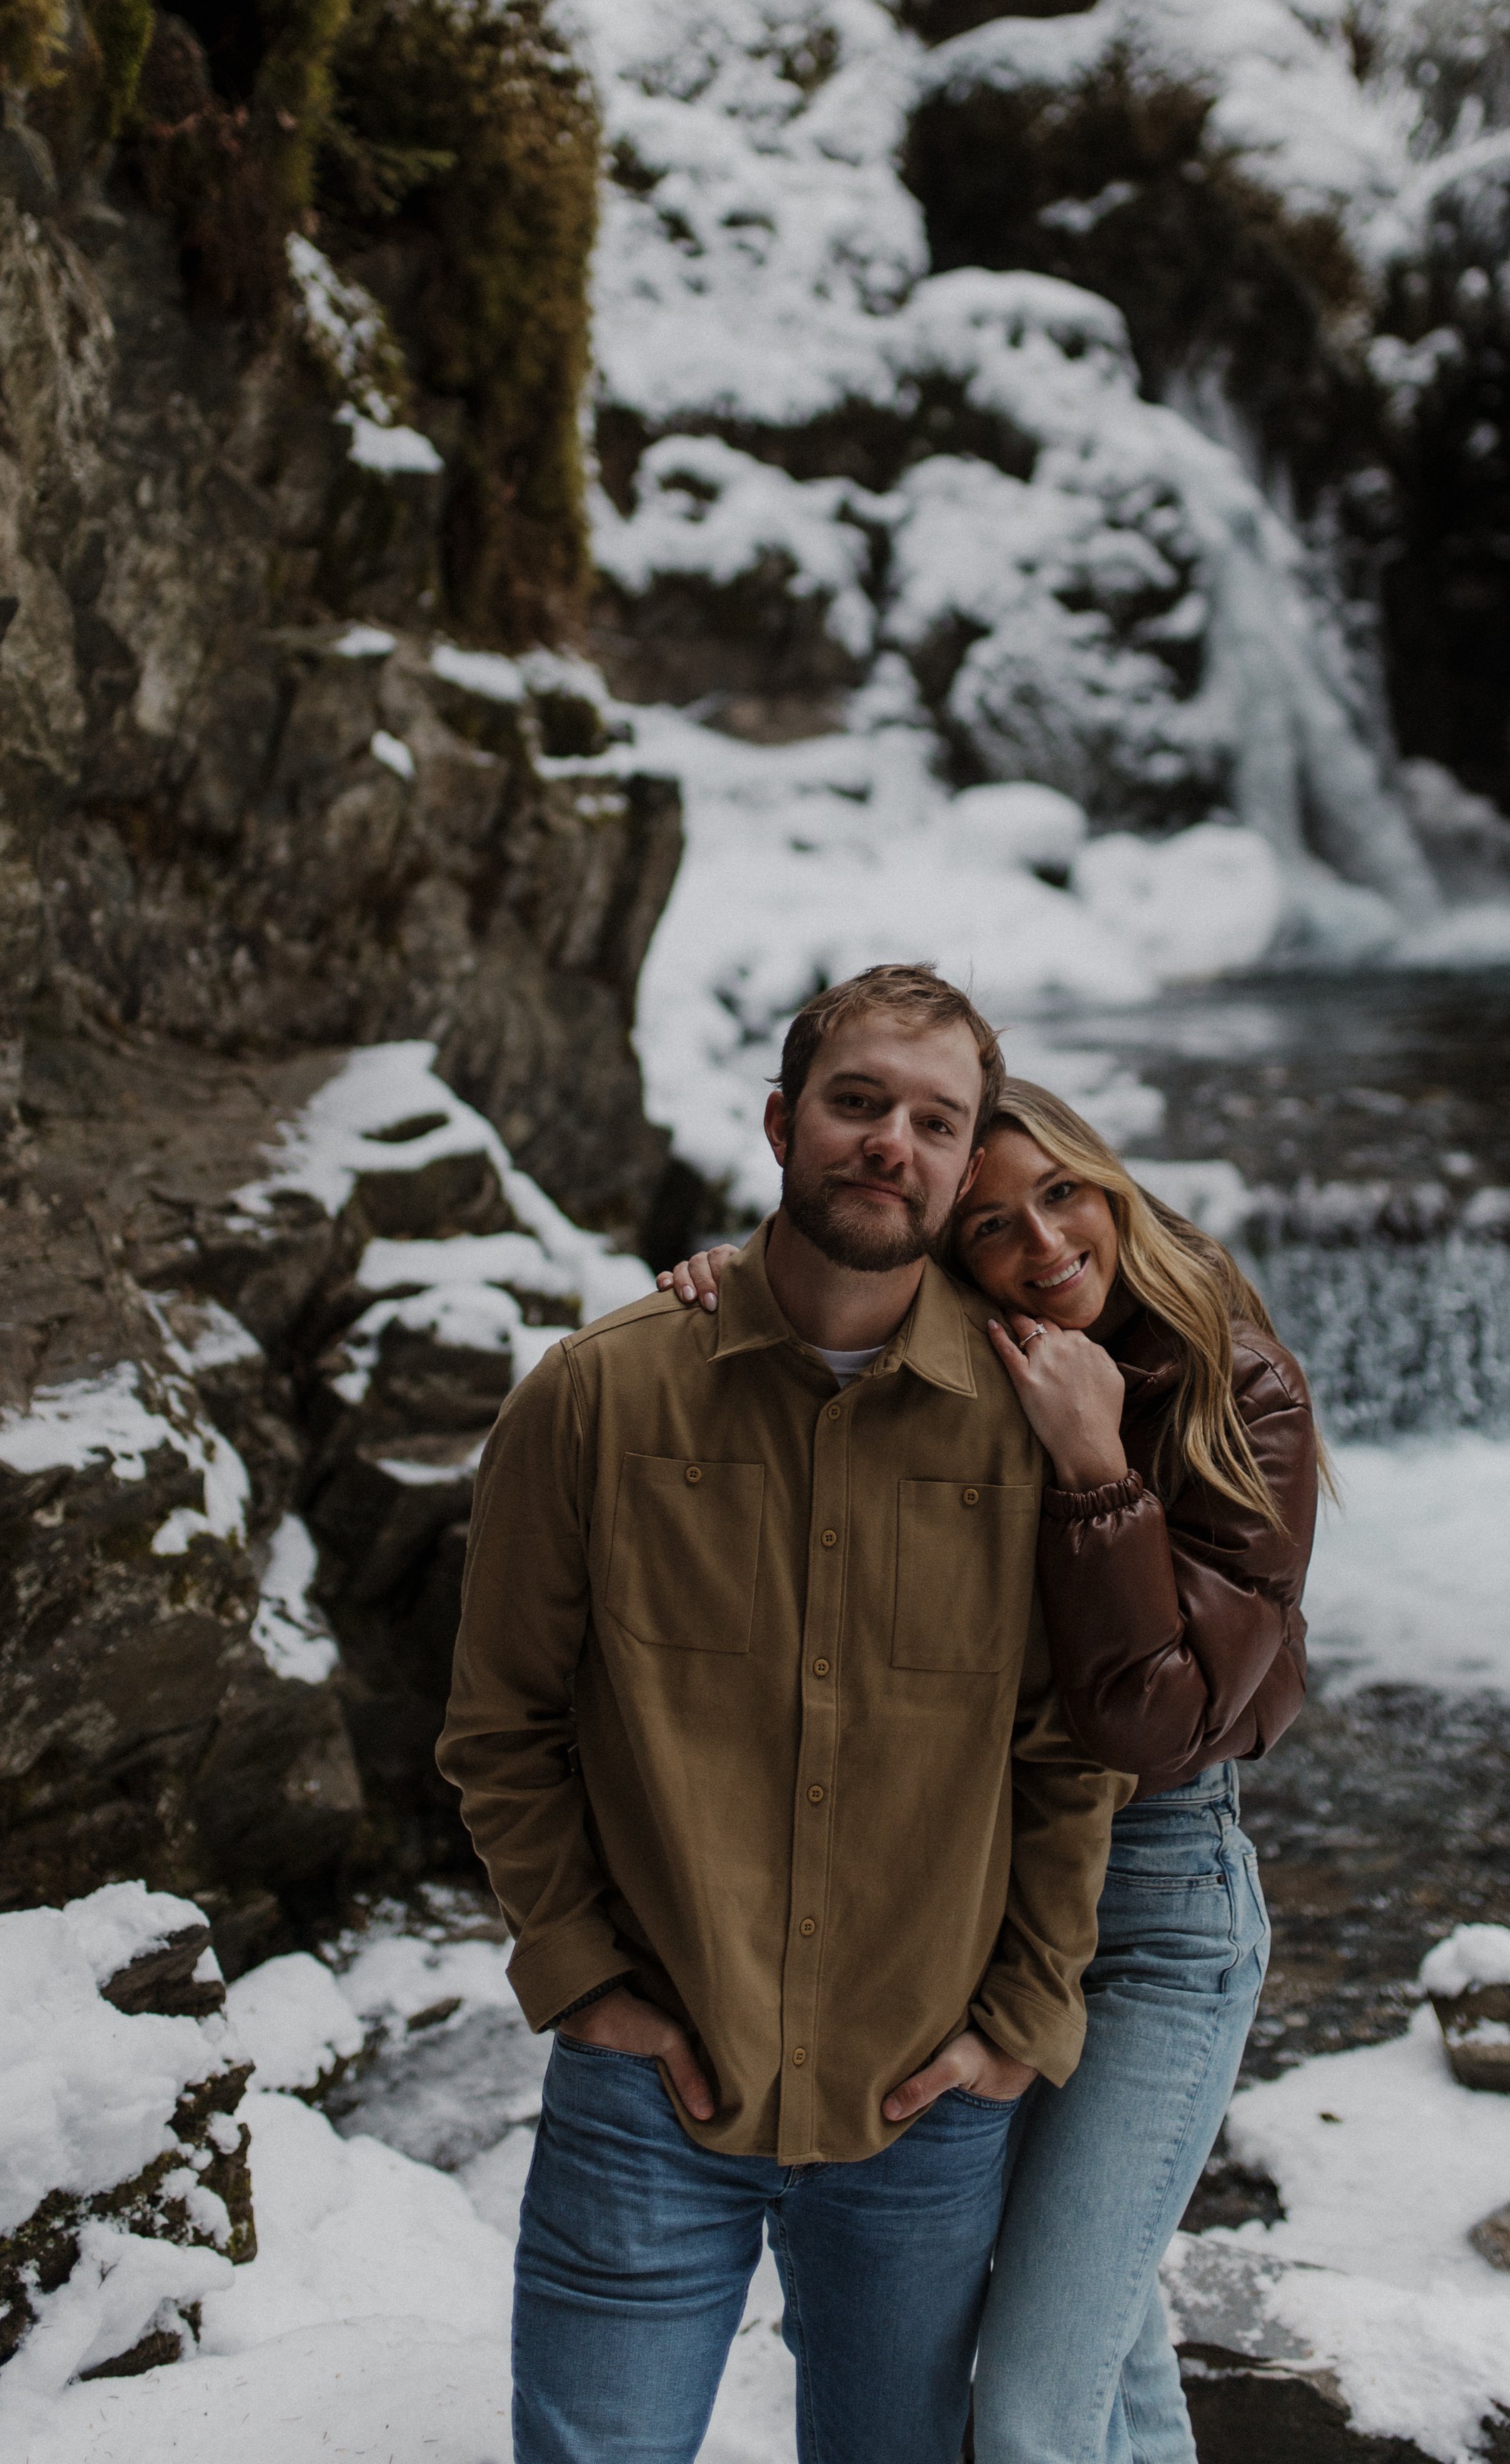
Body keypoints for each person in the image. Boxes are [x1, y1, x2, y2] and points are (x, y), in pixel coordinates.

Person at [437, 968, 1123, 2464]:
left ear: (961, 1168)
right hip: (648, 2096)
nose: (892, 1142)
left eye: (935, 1122)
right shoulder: (596, 1397)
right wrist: (579, 1974)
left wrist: (1019, 2017)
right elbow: (500, 1726)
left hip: (920, 2113)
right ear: (777, 1121)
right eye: (858, 1101)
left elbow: (1065, 1759)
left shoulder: (1031, 1426)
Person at [663, 1075, 1322, 2464]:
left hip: (1154, 1912)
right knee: (1101, 2346)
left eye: (1063, 1194)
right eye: (993, 1224)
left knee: (1027, 2412)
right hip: (972, 1893)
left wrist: (1092, 1462)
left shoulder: (1233, 1384)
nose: (1042, 1243)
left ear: (1108, 1183)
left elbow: (1153, 1723)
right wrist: (741, 1282)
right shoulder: (953, 1356)